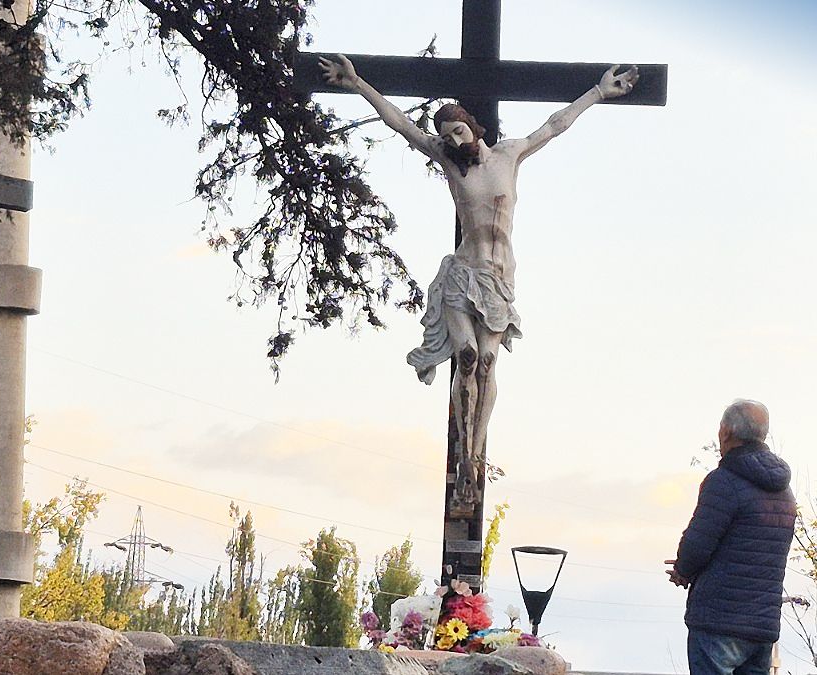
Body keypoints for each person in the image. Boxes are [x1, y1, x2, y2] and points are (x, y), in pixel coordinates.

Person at [317, 55, 638, 505]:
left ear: (473, 127)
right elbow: (400, 124)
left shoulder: (510, 155)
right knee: (466, 356)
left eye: (458, 132)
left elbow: (555, 125)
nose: (453, 141)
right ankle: (465, 458)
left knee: (487, 362)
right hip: (463, 274)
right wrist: (357, 83)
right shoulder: (450, 162)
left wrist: (598, 93)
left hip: (498, 280)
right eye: (447, 136)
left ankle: (476, 451)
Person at [665, 399, 796, 675]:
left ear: (725, 432)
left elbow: (698, 543)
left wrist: (682, 570)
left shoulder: (724, 481)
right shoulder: (784, 492)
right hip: (762, 627)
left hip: (719, 622)